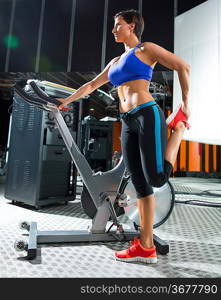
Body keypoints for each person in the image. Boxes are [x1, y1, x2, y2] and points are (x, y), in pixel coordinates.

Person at [58, 9, 190, 264]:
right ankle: (146, 246)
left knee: (157, 178)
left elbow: (182, 66)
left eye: (118, 25)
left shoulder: (146, 49)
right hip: (127, 121)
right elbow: (90, 85)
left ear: (132, 26)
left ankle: (180, 129)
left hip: (147, 114)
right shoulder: (116, 61)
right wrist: (65, 101)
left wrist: (185, 104)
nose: (113, 30)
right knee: (139, 184)